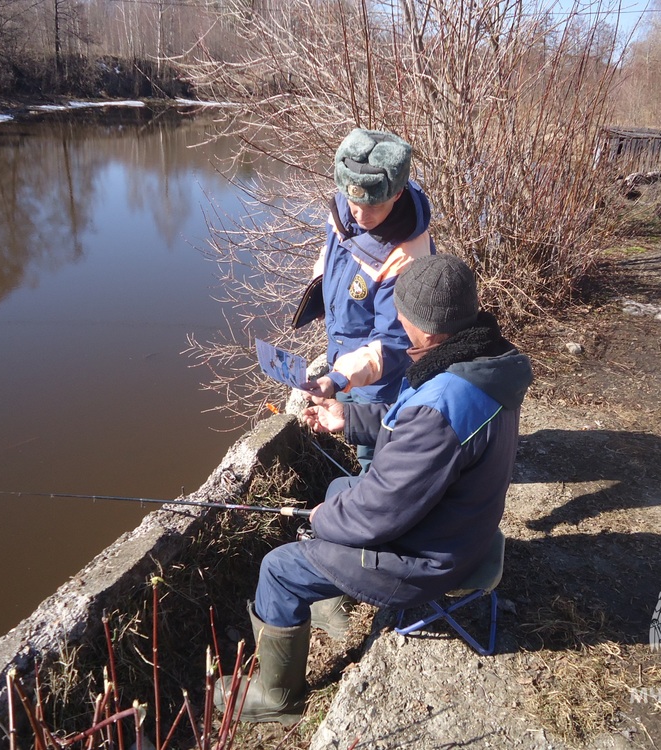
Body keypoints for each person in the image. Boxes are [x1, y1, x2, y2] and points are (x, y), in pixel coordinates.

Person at [216, 254, 533, 725]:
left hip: (428, 560)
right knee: (344, 484)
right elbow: (412, 426)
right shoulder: (483, 362)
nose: (398, 324)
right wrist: (349, 417)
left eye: (401, 316)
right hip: (460, 528)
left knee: (279, 567)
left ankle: (277, 698)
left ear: (426, 329)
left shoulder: (445, 405)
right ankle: (332, 606)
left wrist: (319, 518)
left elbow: (378, 513)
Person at [297, 128, 435, 471]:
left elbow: (391, 344)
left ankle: (379, 494)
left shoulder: (407, 254)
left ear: (398, 193)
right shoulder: (345, 205)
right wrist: (320, 295)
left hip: (384, 375)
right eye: (354, 203)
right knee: (350, 417)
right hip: (345, 351)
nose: (360, 215)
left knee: (377, 444)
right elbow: (329, 258)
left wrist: (339, 378)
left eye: (373, 206)